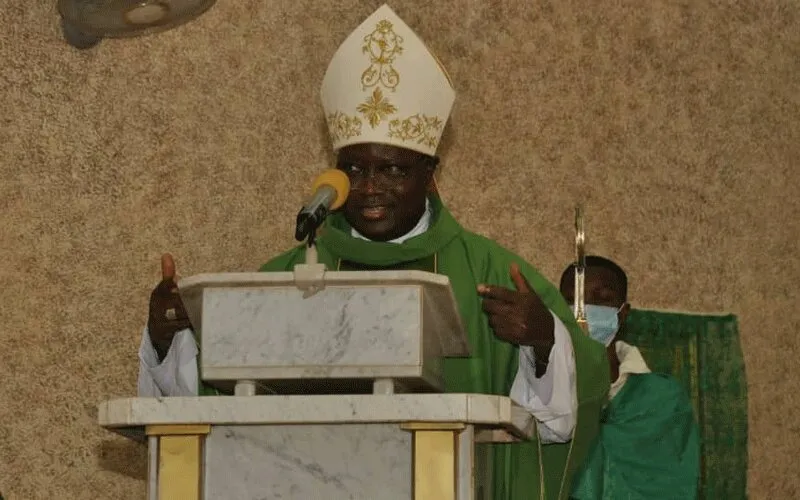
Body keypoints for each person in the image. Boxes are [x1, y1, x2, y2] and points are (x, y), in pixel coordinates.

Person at [138, 5, 609, 499]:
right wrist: (169, 343)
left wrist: (541, 343)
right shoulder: (285, 278)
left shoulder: (489, 272)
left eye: (393, 170)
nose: (370, 189)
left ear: (431, 174)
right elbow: (205, 415)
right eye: (355, 170)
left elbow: (569, 411)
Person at [558, 255, 701, 499]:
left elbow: (675, 485)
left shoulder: (663, 398)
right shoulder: (545, 389)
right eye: (572, 301)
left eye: (601, 300)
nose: (584, 312)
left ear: (622, 313)